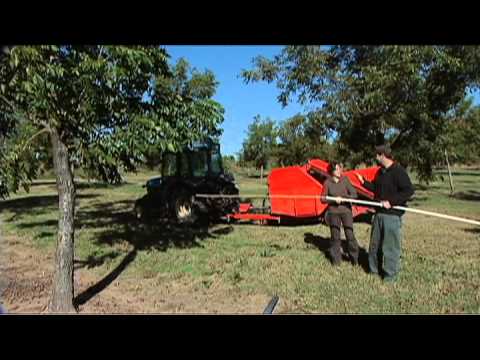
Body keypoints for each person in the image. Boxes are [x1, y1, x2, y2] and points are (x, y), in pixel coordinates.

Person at [355, 144, 414, 282]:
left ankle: (389, 276)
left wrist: (391, 202)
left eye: (377, 155)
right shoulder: (381, 172)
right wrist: (364, 182)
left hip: (392, 216)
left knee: (390, 247)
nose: (375, 158)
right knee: (374, 245)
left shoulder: (398, 171)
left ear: (383, 155)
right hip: (379, 214)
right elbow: (376, 188)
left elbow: (408, 191)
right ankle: (373, 270)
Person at [321, 161, 359, 266]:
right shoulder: (327, 183)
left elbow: (354, 195)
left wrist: (344, 198)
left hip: (346, 211)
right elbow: (322, 198)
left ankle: (354, 259)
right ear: (331, 171)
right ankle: (336, 261)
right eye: (336, 169)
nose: (339, 171)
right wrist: (333, 200)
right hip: (333, 212)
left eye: (340, 169)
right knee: (335, 237)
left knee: (350, 235)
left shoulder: (345, 180)